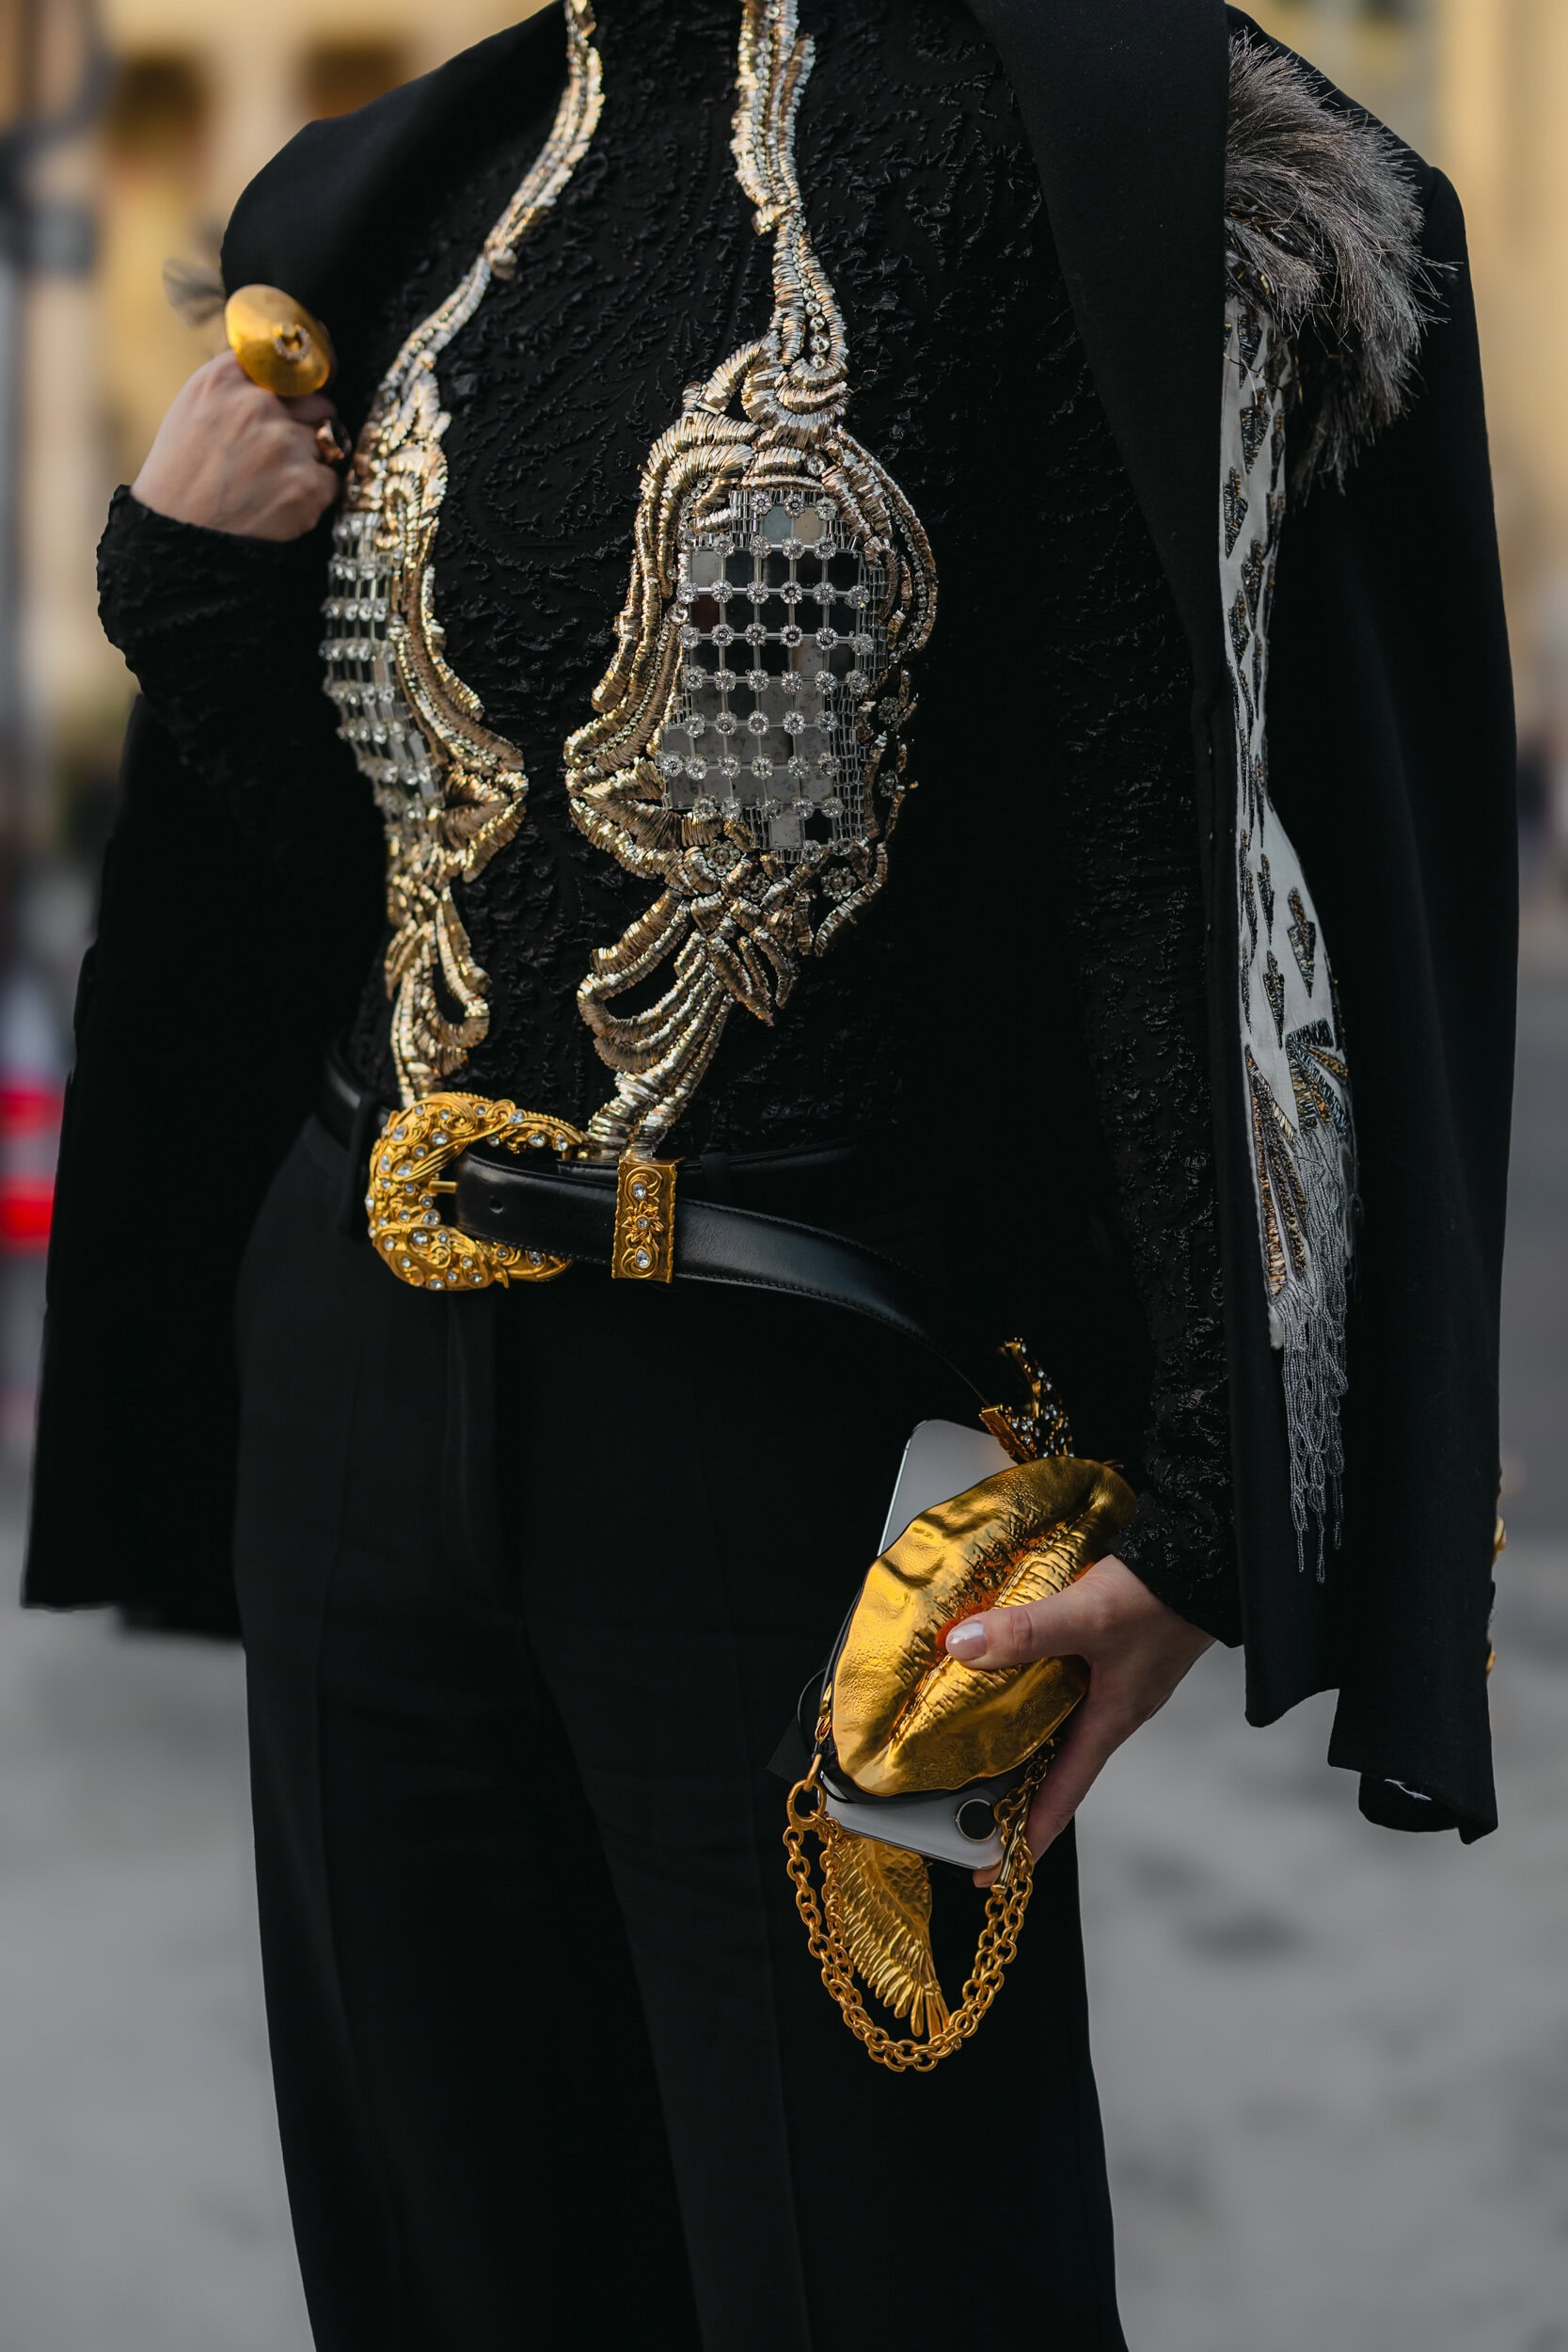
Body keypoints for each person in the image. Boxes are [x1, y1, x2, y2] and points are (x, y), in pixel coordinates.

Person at [25, 2, 1515, 2345]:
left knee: (893, 2282)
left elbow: (1168, 832)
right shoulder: (416, 187)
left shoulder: (1079, 143)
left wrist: (1211, 1495)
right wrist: (190, 576)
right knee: (438, 2271)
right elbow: (344, 860)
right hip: (352, 1371)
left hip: (790, 1435)